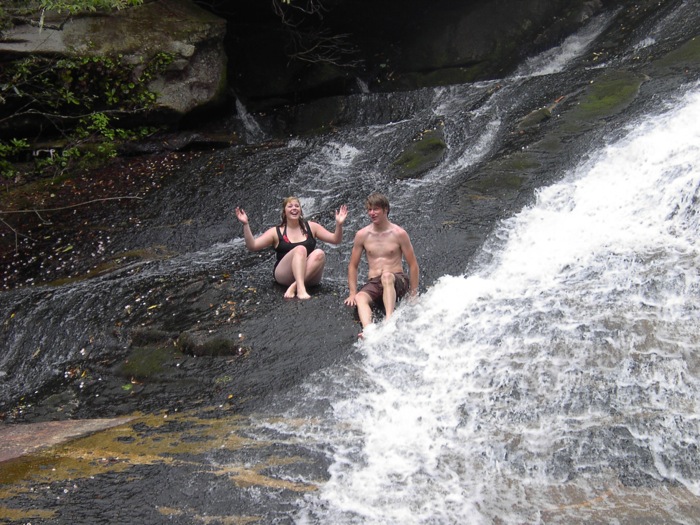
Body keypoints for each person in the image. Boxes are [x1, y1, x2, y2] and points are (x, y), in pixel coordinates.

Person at [235, 197, 348, 300]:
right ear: (284, 212)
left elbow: (335, 240)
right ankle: (301, 289)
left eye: (296, 206)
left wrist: (339, 224)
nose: (294, 208)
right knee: (300, 249)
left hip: (309, 275)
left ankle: (295, 286)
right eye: (290, 206)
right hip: (285, 275)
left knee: (319, 253)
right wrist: (246, 225)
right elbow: (252, 246)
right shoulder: (276, 232)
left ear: (301, 211)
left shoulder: (311, 227)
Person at [344, 192, 419, 336]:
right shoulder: (362, 235)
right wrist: (352, 292)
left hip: (396, 280)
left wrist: (413, 293)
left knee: (386, 276)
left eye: (376, 209)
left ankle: (389, 320)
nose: (372, 213)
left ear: (386, 210)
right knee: (360, 297)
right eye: (369, 209)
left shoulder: (399, 233)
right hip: (374, 281)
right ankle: (368, 330)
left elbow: (413, 264)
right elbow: (353, 265)